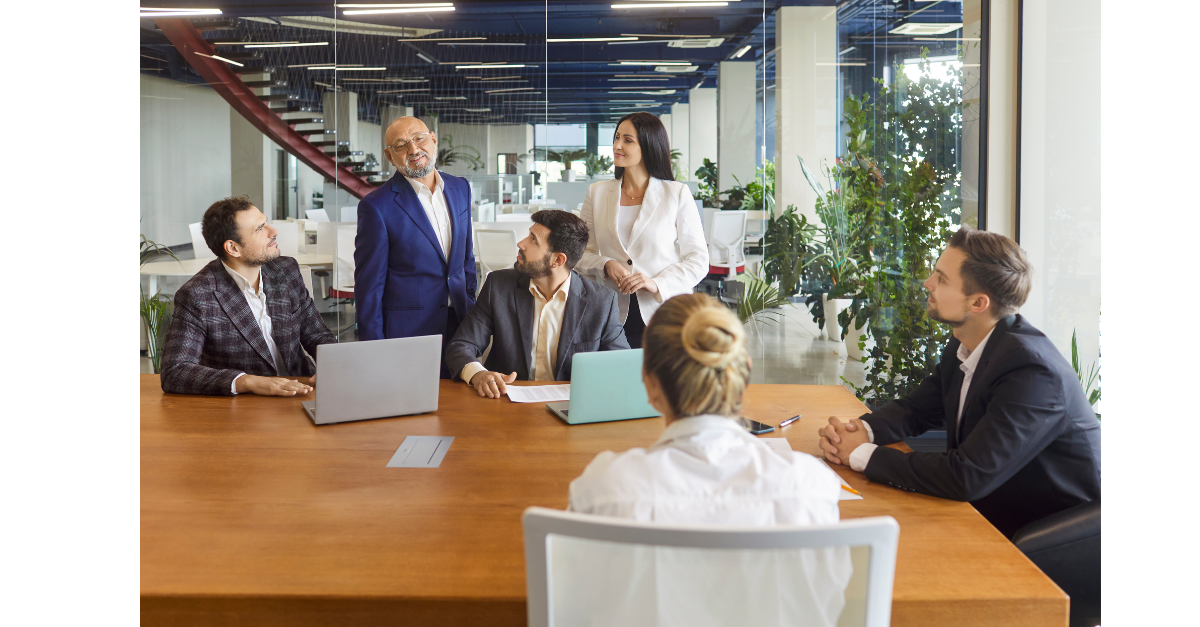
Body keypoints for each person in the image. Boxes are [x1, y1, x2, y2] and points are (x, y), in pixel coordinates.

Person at [566, 293, 849, 625]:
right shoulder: (811, 489)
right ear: (744, 370)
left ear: (650, 386)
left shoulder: (604, 492)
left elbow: (574, 606)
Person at [817, 225, 1101, 538]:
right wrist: (858, 432)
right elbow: (919, 408)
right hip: (987, 510)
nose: (928, 283)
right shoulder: (969, 341)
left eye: (941, 278)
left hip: (1046, 539)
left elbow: (968, 476)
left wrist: (860, 455)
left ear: (978, 303)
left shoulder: (1032, 372)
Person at [160, 196, 336, 396]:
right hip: (247, 407)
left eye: (266, 222)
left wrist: (332, 366)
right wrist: (248, 381)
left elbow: (317, 335)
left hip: (303, 392)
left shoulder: (286, 270)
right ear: (233, 248)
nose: (274, 232)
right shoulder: (197, 295)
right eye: (260, 229)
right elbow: (175, 371)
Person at [445, 210, 628, 398]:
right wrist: (478, 374)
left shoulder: (601, 303)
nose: (521, 243)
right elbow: (460, 346)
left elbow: (623, 368)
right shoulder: (498, 286)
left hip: (568, 409)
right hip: (505, 406)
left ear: (558, 260)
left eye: (533, 240)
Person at [355, 116, 476, 378]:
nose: (413, 150)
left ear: (433, 139)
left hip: (460, 324)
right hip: (406, 331)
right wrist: (372, 351)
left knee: (460, 410)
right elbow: (369, 287)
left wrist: (471, 305)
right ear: (390, 156)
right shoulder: (376, 206)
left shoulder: (460, 188)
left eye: (419, 138)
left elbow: (466, 259)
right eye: (401, 145)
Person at [574, 112, 708, 348]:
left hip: (663, 311)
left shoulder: (676, 194)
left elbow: (698, 260)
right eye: (616, 138)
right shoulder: (596, 193)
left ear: (648, 146)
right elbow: (580, 254)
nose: (617, 145)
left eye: (627, 140)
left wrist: (656, 283)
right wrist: (605, 264)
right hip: (610, 314)